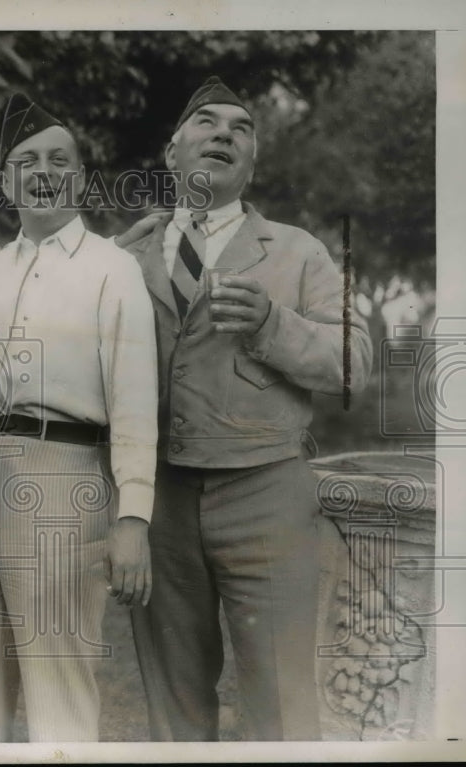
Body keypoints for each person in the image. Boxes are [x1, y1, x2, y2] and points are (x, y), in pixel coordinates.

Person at [115, 76, 373, 741]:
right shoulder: (126, 255)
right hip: (161, 499)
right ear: (172, 155)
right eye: (206, 121)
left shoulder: (296, 250)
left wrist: (272, 323)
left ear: (252, 164)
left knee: (283, 704)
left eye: (241, 127)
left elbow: (356, 361)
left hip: (266, 490)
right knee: (173, 701)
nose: (225, 132)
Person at [0, 93, 158, 742]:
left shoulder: (113, 271)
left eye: (60, 159)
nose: (43, 171)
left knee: (59, 683)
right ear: (7, 181)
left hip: (64, 477)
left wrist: (134, 518)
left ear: (79, 177)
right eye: (27, 161)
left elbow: (137, 407)